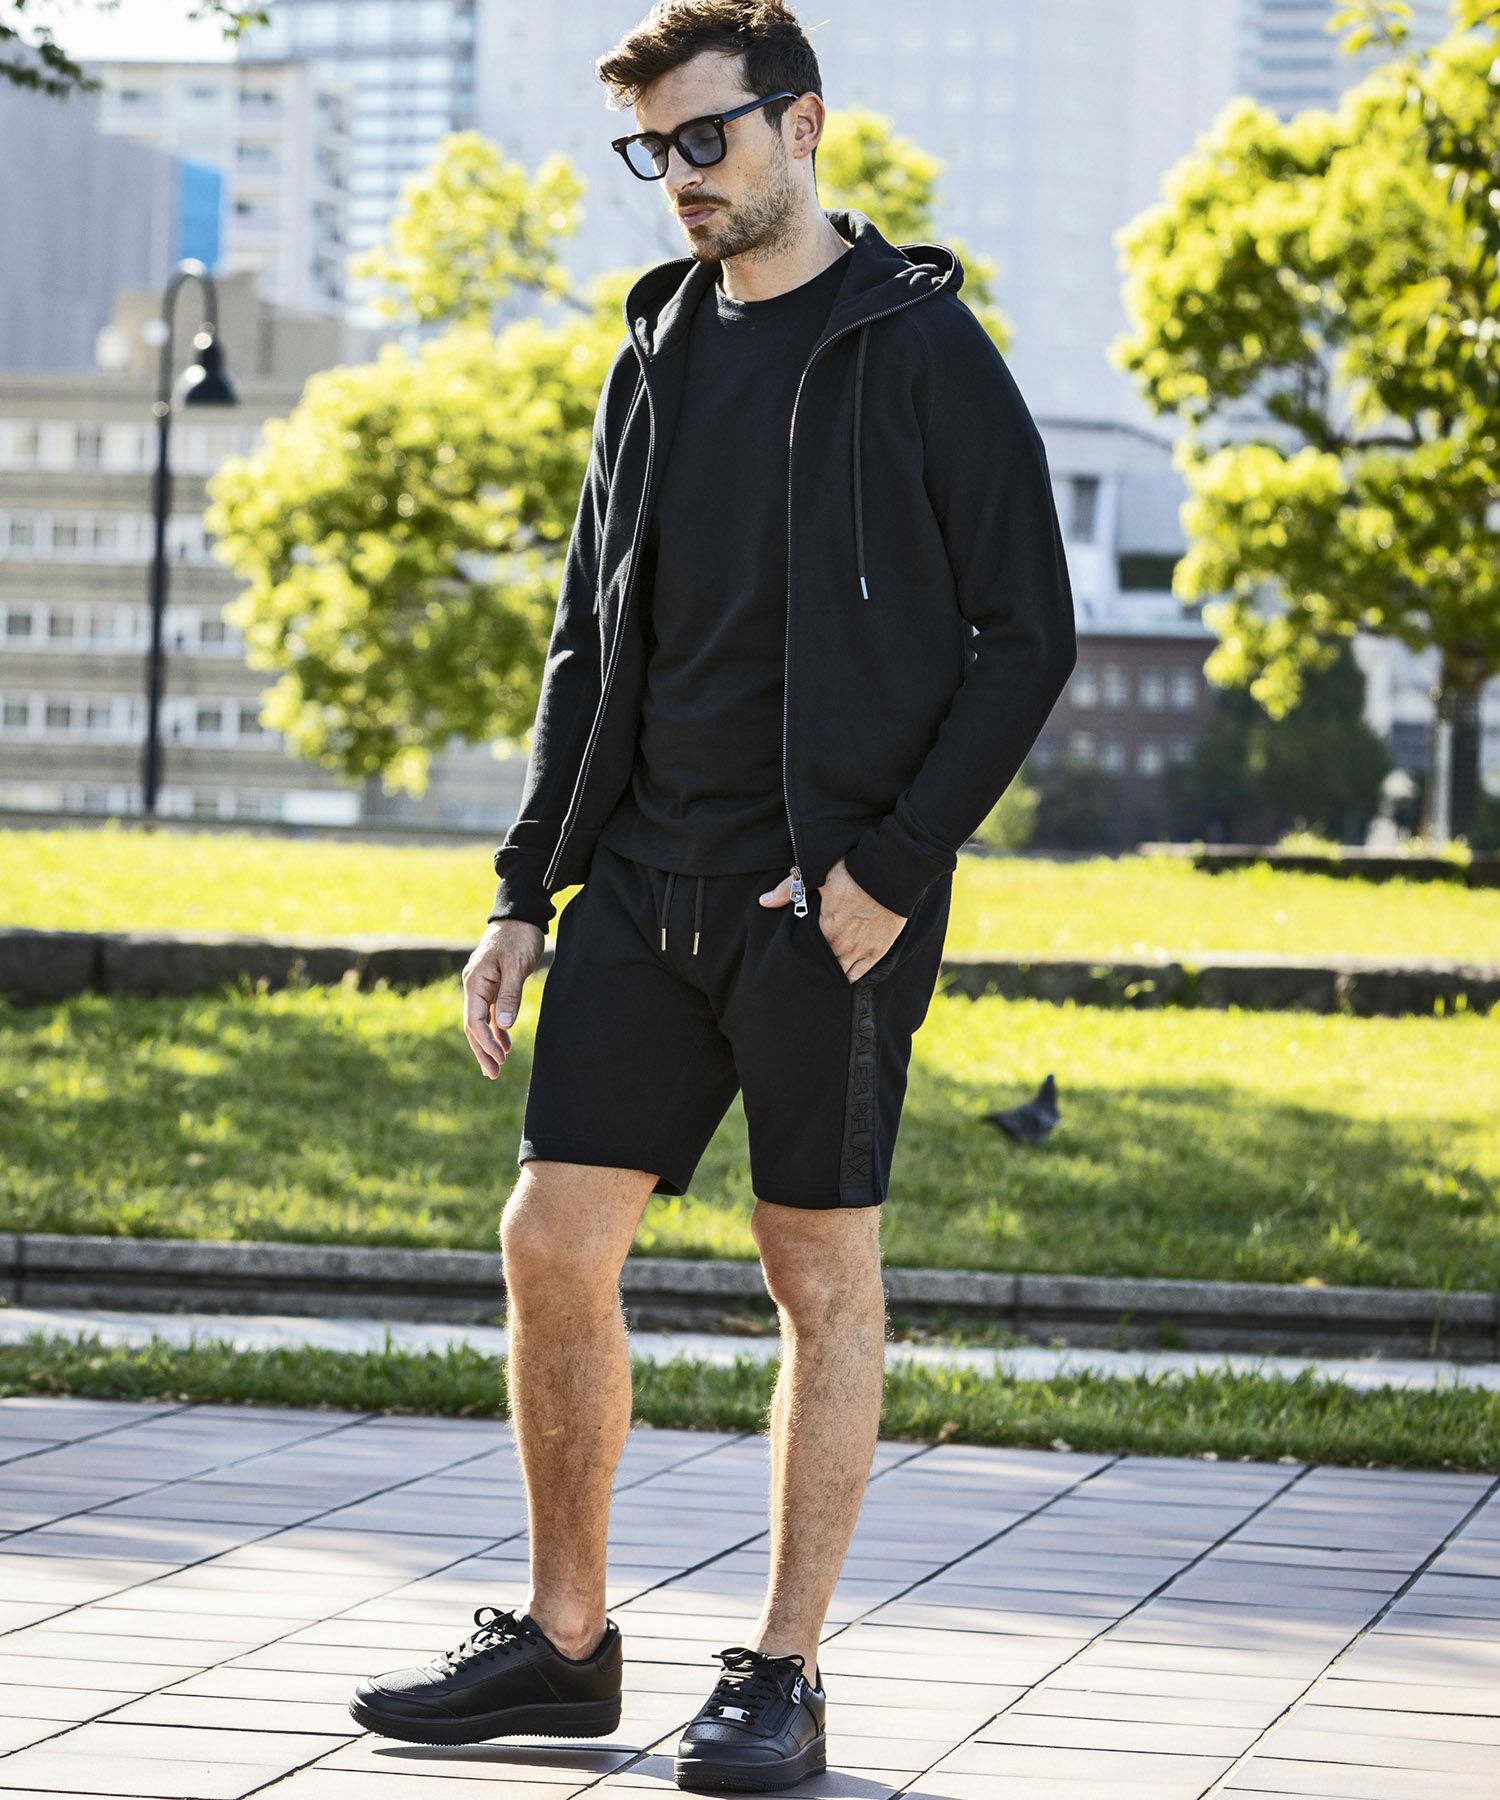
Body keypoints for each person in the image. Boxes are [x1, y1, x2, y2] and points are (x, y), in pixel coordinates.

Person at [349, 1, 1077, 1790]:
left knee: (814, 1268)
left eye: (706, 138)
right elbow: (588, 638)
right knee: (548, 1242)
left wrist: (893, 865)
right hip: (641, 886)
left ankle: (783, 1670)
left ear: (799, 124)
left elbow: (1029, 635)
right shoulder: (655, 349)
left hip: (822, 903)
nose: (678, 177)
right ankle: (565, 1643)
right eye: (652, 150)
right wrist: (526, 889)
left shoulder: (919, 346)